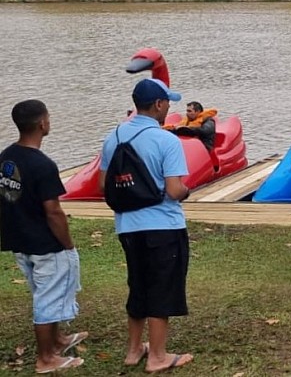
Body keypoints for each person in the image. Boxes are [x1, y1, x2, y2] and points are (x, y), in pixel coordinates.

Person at [99, 78, 193, 373]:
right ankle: (158, 357)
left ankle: (134, 349)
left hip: (127, 226)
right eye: (168, 102)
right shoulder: (167, 140)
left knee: (137, 284)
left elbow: (104, 184)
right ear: (158, 105)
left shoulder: (112, 137)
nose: (169, 107)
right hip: (162, 225)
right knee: (162, 287)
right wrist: (187, 191)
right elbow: (175, 190)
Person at [1, 100, 87, 374]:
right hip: (44, 243)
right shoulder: (42, 165)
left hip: (19, 239)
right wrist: (67, 244)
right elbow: (53, 211)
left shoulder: (6, 157)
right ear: (42, 124)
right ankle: (46, 358)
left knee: (43, 291)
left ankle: (58, 340)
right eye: (48, 118)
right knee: (47, 300)